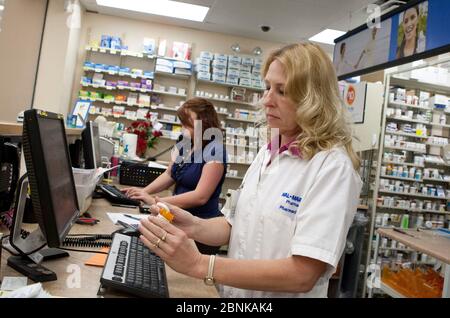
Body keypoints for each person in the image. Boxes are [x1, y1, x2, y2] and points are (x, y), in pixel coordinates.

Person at [139, 43, 362, 297]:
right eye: (268, 88)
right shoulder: (269, 152)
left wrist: (199, 264)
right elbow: (236, 225)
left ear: (313, 98)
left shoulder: (333, 168)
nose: (266, 100)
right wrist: (193, 226)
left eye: (282, 91)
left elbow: (303, 274)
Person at [123, 97, 227, 255]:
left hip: (199, 231)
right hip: (176, 220)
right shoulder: (187, 143)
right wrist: (144, 192)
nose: (183, 129)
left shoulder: (215, 150)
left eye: (187, 124)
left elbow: (200, 197)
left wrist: (158, 202)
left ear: (204, 122)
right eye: (182, 124)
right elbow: (170, 174)